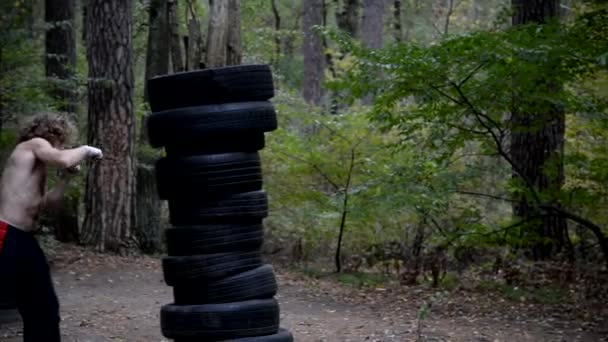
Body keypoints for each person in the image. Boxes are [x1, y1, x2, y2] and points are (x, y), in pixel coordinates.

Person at [0, 113, 103, 341]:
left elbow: (46, 205)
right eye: (63, 141)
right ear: (52, 133)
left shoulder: (37, 165)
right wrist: (85, 150)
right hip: (5, 234)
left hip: (23, 239)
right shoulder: (34, 145)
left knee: (43, 307)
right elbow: (63, 158)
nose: (65, 146)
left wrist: (65, 179)